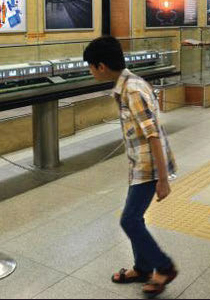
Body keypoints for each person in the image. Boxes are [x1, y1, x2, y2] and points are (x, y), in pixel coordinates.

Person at [83, 36, 178, 297]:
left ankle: (164, 266)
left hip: (148, 168)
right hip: (140, 165)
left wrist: (162, 179)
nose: (90, 71)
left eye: (90, 66)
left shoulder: (133, 90)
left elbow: (153, 135)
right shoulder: (127, 85)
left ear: (101, 67)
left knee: (129, 220)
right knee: (135, 217)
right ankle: (143, 267)